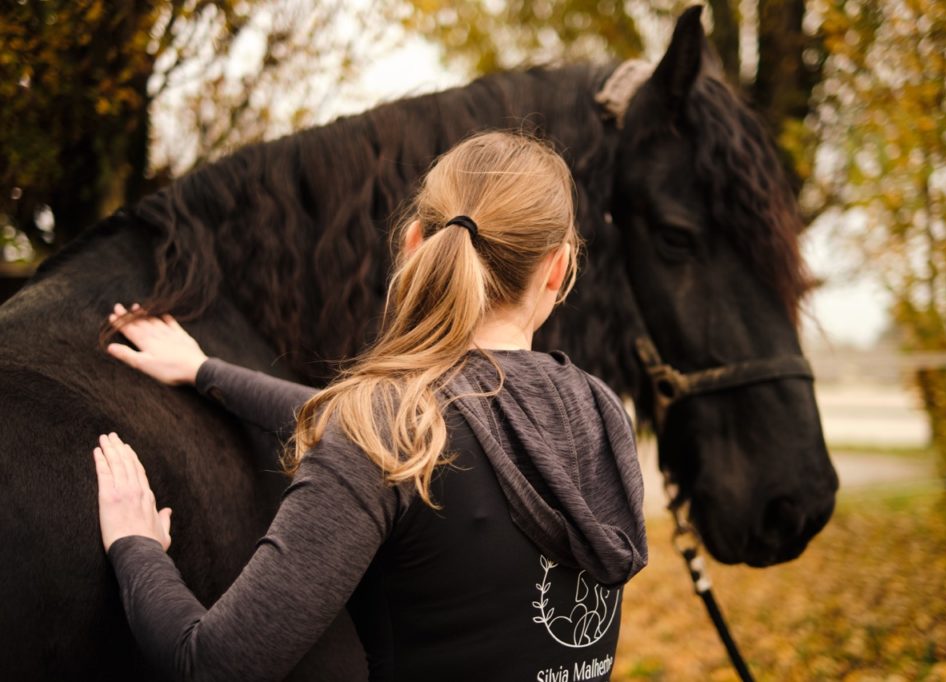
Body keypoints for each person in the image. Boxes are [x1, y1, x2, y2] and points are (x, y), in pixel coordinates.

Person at [94, 130, 648, 682]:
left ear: (413, 242)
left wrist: (135, 546)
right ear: (556, 267)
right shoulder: (600, 411)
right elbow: (390, 433)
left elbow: (212, 666)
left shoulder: (388, 429)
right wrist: (204, 371)